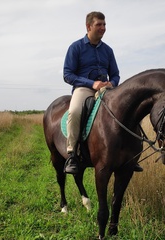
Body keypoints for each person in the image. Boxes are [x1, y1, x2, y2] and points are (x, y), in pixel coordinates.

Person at [63, 11, 143, 174]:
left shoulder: (108, 50)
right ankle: (72, 154)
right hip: (84, 88)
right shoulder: (76, 47)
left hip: (107, 89)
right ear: (88, 26)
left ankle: (132, 153)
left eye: (104, 24)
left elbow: (115, 74)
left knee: (130, 109)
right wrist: (93, 83)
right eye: (99, 24)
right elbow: (68, 74)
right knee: (74, 112)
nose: (103, 28)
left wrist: (112, 83)